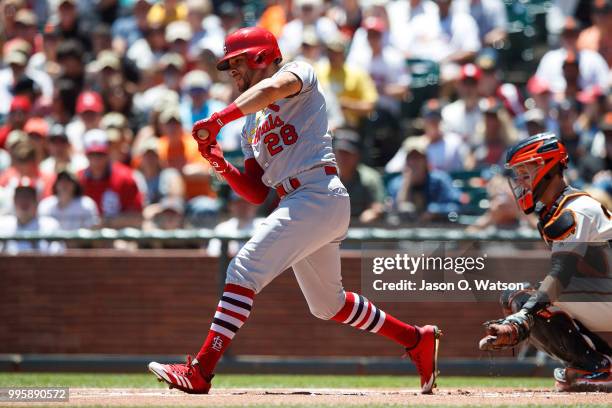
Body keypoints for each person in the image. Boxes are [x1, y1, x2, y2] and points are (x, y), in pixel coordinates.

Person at [148, 26, 441, 395]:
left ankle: (201, 370)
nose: (231, 71)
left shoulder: (297, 71)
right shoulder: (250, 123)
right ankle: (415, 339)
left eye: (236, 62)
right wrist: (220, 163)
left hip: (316, 192)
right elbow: (255, 192)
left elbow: (270, 89)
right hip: (302, 201)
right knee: (327, 304)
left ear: (260, 56)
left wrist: (219, 118)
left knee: (243, 268)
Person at [478, 133, 612, 392]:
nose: (520, 182)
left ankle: (600, 367)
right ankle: (598, 364)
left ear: (546, 168)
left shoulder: (576, 208)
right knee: (524, 299)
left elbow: (561, 273)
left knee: (523, 299)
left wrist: (522, 317)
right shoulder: (557, 209)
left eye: (525, 174)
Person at [78, 129, 143, 227]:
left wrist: (105, 223)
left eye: (100, 154)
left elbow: (137, 217)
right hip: (84, 236)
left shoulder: (125, 177)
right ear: (86, 155)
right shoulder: (78, 180)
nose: (96, 160)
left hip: (118, 236)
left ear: (108, 153)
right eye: (92, 155)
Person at [387, 136, 461, 222]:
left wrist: (433, 211)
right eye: (410, 158)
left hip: (436, 229)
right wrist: (406, 183)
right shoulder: (396, 184)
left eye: (418, 158)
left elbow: (456, 206)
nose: (414, 163)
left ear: (426, 160)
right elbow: (394, 211)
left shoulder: (440, 180)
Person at [333, 129, 385, 224]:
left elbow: (378, 207)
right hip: (334, 228)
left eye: (347, 153)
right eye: (340, 152)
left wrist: (371, 214)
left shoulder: (370, 177)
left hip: (362, 230)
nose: (343, 158)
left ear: (357, 155)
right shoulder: (328, 178)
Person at [0, 177, 62, 254]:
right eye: (20, 196)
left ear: (36, 201)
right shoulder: (3, 225)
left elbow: (58, 257)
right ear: (14, 200)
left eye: (28, 196)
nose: (24, 201)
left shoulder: (50, 226)